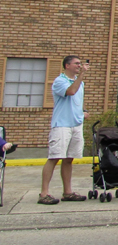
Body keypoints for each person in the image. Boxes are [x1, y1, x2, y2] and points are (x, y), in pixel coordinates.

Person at [39, 56, 89, 205]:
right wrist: (81, 76)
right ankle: (44, 193)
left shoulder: (80, 83)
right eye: (76, 64)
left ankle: (67, 192)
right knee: (54, 157)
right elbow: (71, 92)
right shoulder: (59, 81)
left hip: (75, 124)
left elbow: (76, 101)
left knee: (69, 159)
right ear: (67, 65)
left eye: (80, 64)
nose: (79, 66)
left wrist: (82, 112)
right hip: (61, 125)